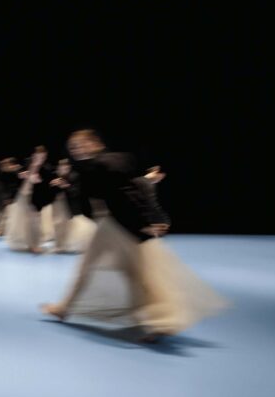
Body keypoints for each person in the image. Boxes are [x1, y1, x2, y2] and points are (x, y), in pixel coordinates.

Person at [41, 130, 226, 341]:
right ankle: (158, 320)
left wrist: (150, 219)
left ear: (96, 144)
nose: (78, 149)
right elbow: (122, 187)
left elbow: (129, 190)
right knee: (116, 270)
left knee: (133, 272)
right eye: (74, 147)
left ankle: (162, 321)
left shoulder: (106, 163)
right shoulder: (93, 167)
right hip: (110, 223)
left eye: (82, 144)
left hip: (120, 224)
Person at [5, 146, 54, 253]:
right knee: (20, 221)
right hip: (22, 196)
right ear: (33, 156)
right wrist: (20, 175)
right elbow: (15, 176)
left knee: (34, 221)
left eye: (43, 157)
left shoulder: (46, 169)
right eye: (38, 156)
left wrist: (40, 181)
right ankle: (26, 242)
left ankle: (35, 244)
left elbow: (47, 186)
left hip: (35, 199)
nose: (40, 159)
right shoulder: (25, 165)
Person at [49, 159, 96, 253]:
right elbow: (51, 192)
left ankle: (74, 244)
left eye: (66, 166)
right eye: (61, 166)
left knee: (74, 224)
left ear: (69, 167)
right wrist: (53, 184)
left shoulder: (74, 176)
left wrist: (65, 186)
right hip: (59, 204)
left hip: (72, 205)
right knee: (59, 224)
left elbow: (76, 192)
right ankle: (60, 244)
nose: (63, 168)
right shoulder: (56, 176)